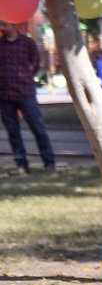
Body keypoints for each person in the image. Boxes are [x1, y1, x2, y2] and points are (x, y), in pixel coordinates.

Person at [0, 20, 54, 175]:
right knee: (13, 132)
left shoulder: (27, 43)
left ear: (14, 25)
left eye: (4, 25)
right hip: (4, 95)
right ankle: (22, 165)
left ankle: (49, 162)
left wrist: (25, 77)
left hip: (25, 93)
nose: (1, 28)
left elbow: (35, 63)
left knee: (38, 128)